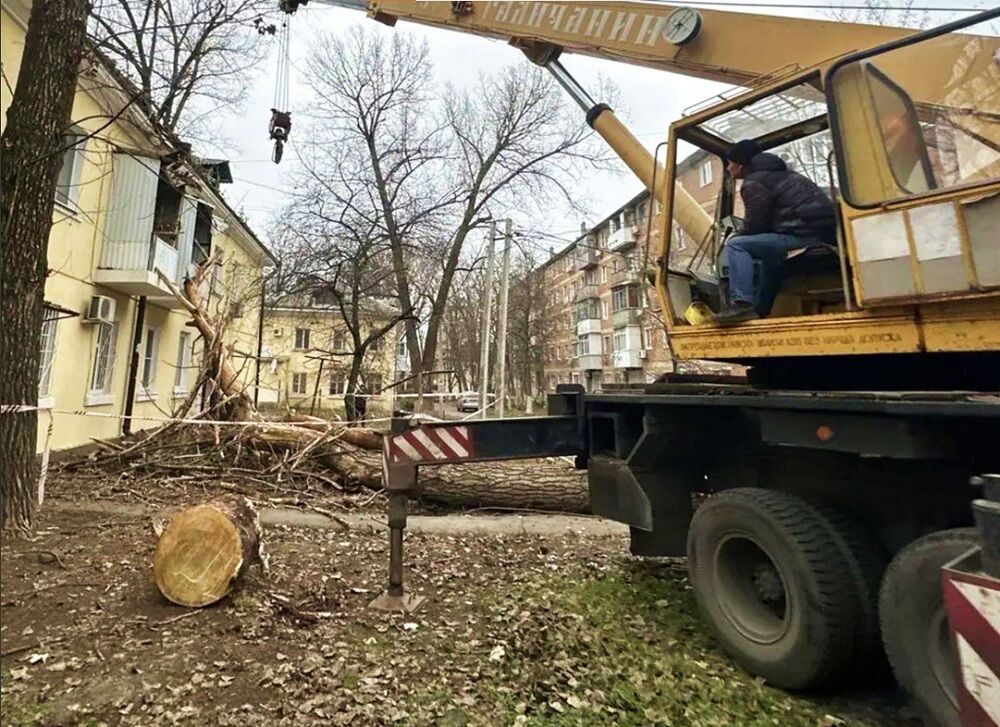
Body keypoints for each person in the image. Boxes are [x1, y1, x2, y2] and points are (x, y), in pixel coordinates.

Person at [715, 139, 837, 324]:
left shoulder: (753, 183)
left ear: (740, 165)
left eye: (730, 163)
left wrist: (736, 234)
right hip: (822, 232)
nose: (728, 168)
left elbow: (756, 223)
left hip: (805, 235)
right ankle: (760, 309)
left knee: (736, 245)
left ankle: (741, 304)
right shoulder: (781, 175)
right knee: (769, 259)